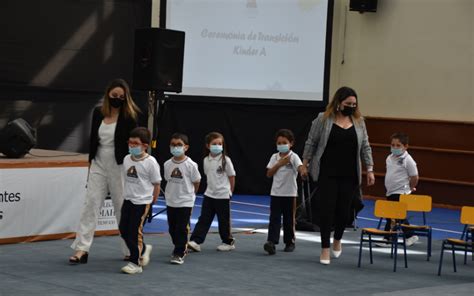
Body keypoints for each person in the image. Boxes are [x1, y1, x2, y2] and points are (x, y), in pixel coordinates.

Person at [69, 78, 141, 264]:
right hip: (98, 163)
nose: (117, 98)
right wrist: (89, 166)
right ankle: (81, 249)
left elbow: (135, 144)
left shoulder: (130, 117)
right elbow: (94, 141)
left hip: (120, 166)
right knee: (90, 205)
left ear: (126, 98)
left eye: (121, 96)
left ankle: (130, 249)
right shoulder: (98, 113)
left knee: (121, 207)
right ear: (108, 95)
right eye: (114, 95)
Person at [301, 86, 375, 265]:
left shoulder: (359, 122)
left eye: (354, 104)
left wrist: (370, 168)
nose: (351, 106)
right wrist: (305, 163)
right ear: (338, 103)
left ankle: (338, 239)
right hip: (327, 172)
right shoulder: (323, 119)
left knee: (344, 211)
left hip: (350, 174)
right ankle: (325, 248)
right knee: (327, 210)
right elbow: (312, 142)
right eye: (348, 103)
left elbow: (365, 146)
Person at [119, 127, 161, 274]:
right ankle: (143, 249)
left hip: (142, 202)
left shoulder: (151, 162)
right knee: (123, 229)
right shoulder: (126, 159)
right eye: (130, 143)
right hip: (128, 199)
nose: (132, 146)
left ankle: (135, 263)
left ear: (145, 145)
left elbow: (156, 184)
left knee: (134, 232)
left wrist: (152, 201)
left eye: (135, 143)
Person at [188, 132, 236, 252]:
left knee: (223, 220)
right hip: (209, 194)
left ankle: (228, 242)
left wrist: (230, 192)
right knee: (204, 218)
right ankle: (196, 241)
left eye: (220, 144)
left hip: (223, 195)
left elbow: (231, 177)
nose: (217, 146)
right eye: (214, 144)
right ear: (208, 146)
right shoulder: (205, 160)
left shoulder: (226, 160)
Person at [263, 129, 304, 255]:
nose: (281, 145)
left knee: (289, 219)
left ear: (291, 143)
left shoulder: (294, 157)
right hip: (276, 194)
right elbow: (269, 174)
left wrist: (303, 171)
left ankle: (290, 242)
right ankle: (271, 242)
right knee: (274, 219)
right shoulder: (274, 157)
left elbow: (300, 167)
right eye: (279, 143)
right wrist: (279, 164)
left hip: (290, 194)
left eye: (284, 142)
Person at [163, 133, 201, 264]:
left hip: (185, 201)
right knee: (172, 228)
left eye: (179, 145)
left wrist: (191, 195)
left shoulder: (191, 165)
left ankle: (180, 252)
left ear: (186, 147)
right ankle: (179, 244)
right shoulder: (167, 164)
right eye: (173, 145)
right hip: (171, 200)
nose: (176, 147)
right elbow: (168, 179)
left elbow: (196, 181)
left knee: (181, 228)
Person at [377, 132, 419, 247]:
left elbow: (414, 176)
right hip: (390, 191)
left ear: (405, 146)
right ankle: (404, 235)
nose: (395, 147)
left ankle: (391, 238)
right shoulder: (389, 158)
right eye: (393, 145)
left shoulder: (408, 159)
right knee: (393, 215)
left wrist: (410, 188)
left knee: (394, 214)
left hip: (401, 191)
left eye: (398, 145)